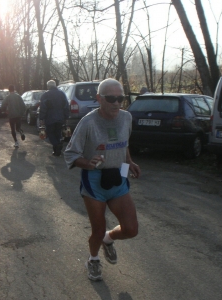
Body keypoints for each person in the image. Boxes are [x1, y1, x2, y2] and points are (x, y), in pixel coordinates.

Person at [64, 78, 141, 281]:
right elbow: (70, 154)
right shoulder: (88, 122)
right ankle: (93, 259)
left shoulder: (126, 118)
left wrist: (130, 162)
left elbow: (124, 144)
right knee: (97, 229)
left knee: (131, 229)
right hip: (94, 180)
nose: (116, 103)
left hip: (119, 175)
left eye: (120, 98)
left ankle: (109, 238)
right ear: (99, 98)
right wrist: (88, 163)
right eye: (111, 98)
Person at [39, 80, 70, 156]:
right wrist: (66, 116)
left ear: (48, 86)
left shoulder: (46, 95)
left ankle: (57, 144)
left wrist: (41, 118)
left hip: (50, 118)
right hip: (60, 117)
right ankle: (56, 151)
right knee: (58, 133)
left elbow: (43, 107)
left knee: (50, 133)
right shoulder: (62, 94)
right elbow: (66, 106)